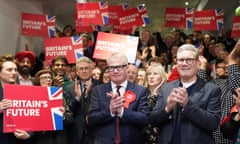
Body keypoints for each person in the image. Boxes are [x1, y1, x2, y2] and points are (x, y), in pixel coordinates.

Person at [149, 44, 221, 144]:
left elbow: (213, 124)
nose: (184, 63)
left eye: (189, 60)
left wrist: (187, 105)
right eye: (181, 60)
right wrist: (167, 108)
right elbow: (153, 120)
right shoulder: (166, 88)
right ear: (176, 63)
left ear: (198, 63)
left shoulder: (212, 90)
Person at [87, 53, 149, 144]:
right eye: (111, 68)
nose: (115, 71)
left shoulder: (140, 91)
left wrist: (122, 112)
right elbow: (91, 119)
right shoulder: (98, 91)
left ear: (126, 68)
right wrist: (110, 111)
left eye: (119, 67)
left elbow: (144, 119)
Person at [65, 56, 100, 144]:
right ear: (77, 72)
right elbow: (69, 111)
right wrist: (77, 98)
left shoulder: (100, 86)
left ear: (91, 70)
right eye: (81, 68)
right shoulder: (70, 88)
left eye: (86, 68)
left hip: (95, 132)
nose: (84, 71)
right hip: (76, 133)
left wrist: (88, 95)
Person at [32, 69, 71, 144]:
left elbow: (70, 119)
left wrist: (63, 116)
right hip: (41, 139)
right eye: (44, 78)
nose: (48, 80)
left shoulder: (59, 96)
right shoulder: (32, 98)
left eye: (50, 78)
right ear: (38, 81)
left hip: (59, 139)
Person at [0, 54, 32, 144]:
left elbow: (33, 117)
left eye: (15, 70)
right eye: (9, 70)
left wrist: (29, 134)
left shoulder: (24, 92)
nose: (14, 73)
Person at [143, 64, 167, 143]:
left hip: (159, 136)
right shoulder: (142, 92)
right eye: (149, 74)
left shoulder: (166, 94)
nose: (151, 77)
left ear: (162, 77)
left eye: (155, 74)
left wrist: (156, 94)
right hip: (141, 135)